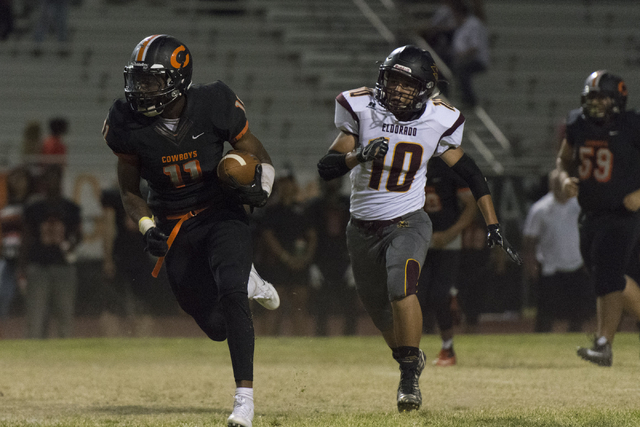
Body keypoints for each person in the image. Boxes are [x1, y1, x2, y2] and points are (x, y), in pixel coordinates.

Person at [317, 45, 521, 412]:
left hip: (408, 220)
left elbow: (471, 172)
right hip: (361, 226)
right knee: (380, 313)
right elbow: (327, 167)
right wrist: (358, 155)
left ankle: (408, 377)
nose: (395, 89)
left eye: (405, 84)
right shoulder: (362, 108)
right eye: (391, 79)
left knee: (401, 288)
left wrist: (492, 222)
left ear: (425, 89)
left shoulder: (439, 119)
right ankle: (411, 358)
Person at [102, 34, 280, 427]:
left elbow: (259, 156)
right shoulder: (125, 121)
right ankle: (248, 280)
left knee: (232, 293)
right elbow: (130, 191)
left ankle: (244, 400)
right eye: (137, 80)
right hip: (173, 223)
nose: (140, 89)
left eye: (151, 81)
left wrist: (261, 190)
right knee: (216, 327)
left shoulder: (214, 101)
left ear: (179, 80)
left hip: (221, 213)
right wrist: (147, 224)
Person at [556, 70, 640, 367]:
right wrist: (565, 179)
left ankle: (604, 343)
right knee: (607, 278)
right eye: (591, 97)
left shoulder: (632, 125)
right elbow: (563, 161)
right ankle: (604, 342)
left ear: (617, 99)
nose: (595, 103)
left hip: (621, 215)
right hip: (589, 213)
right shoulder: (578, 122)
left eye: (601, 97)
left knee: (607, 277)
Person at [418, 156, 477, 366]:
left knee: (438, 295)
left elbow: (471, 206)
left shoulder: (449, 167)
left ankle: (447, 348)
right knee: (416, 294)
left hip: (447, 242)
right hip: (420, 241)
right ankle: (409, 351)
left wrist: (450, 233)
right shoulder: (408, 163)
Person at [522, 169, 595, 333]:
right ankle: (542, 343)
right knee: (546, 313)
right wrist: (531, 263)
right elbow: (529, 240)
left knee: (579, 313)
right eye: (555, 184)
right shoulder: (540, 209)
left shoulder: (579, 205)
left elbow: (591, 232)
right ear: (550, 185)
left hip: (577, 264)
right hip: (551, 267)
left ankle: (574, 342)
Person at [20, 164, 81, 339]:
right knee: (36, 315)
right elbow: (27, 238)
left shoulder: (70, 208)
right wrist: (22, 268)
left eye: (56, 178)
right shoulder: (34, 209)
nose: (53, 183)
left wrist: (70, 245)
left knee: (64, 314)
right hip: (38, 265)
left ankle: (63, 352)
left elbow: (78, 235)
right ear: (44, 182)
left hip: (63, 266)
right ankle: (35, 352)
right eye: (50, 178)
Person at [257, 171, 317, 336]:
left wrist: (305, 258)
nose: (286, 187)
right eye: (282, 183)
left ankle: (300, 343)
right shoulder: (271, 211)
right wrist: (285, 257)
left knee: (299, 306)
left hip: (299, 264)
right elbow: (268, 237)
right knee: (272, 306)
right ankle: (267, 343)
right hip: (276, 264)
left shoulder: (303, 210)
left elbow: (312, 236)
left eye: (289, 182)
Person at [306, 176, 358, 336]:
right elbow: (310, 236)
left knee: (350, 306)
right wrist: (312, 264)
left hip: (344, 260)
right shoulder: (314, 206)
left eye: (334, 180)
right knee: (321, 306)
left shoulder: (349, 205)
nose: (331, 183)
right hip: (322, 261)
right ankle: (321, 338)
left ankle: (350, 339)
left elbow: (357, 235)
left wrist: (354, 264)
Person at [0, 166, 35, 332]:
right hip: (8, 259)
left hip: (29, 260)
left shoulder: (32, 205)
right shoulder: (6, 205)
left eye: (21, 178)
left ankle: (32, 334)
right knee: (4, 297)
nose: (17, 183)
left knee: (31, 300)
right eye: (14, 179)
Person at [450, 0, 489, 108]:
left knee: (462, 70)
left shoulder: (473, 24)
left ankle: (470, 100)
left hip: (477, 59)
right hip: (463, 58)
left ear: (459, 13)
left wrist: (462, 56)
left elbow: (474, 47)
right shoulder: (461, 27)